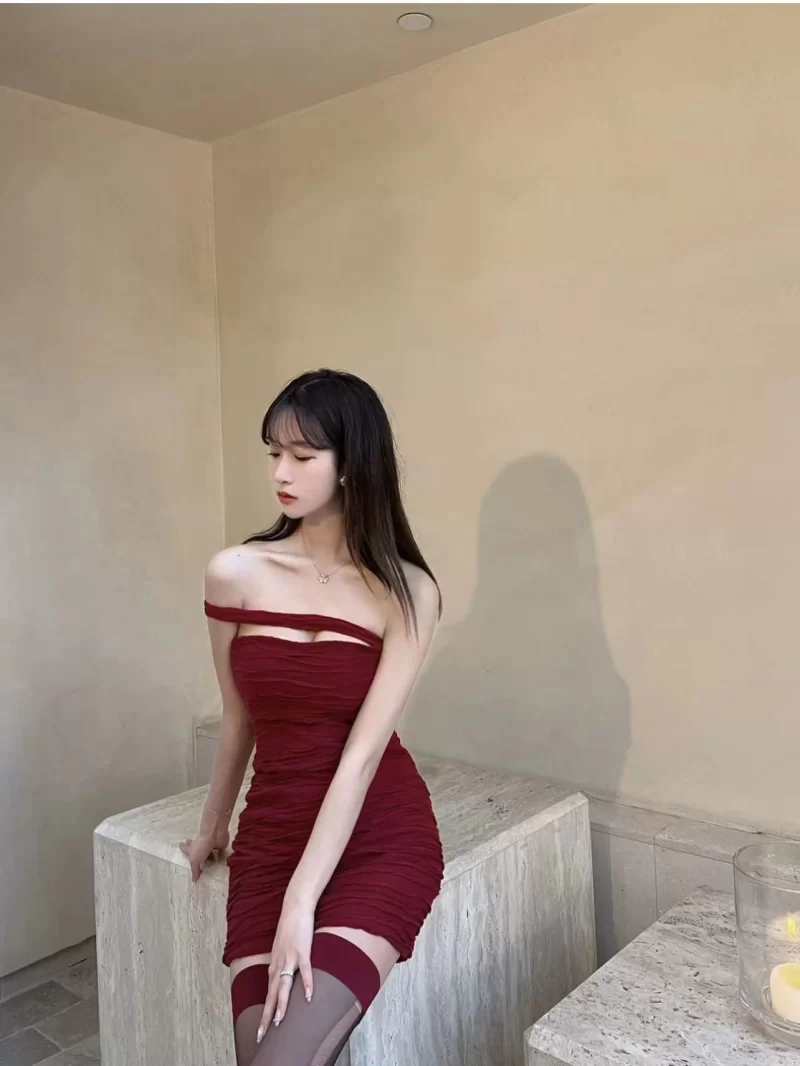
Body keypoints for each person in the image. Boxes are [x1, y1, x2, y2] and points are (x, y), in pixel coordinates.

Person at [181, 369, 444, 1066]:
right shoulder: (236, 572)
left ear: (353, 462)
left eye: (302, 455)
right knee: (264, 1054)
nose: (280, 472)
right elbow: (238, 718)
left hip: (377, 839)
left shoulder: (407, 592)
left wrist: (302, 904)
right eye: (274, 452)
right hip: (272, 839)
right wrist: (214, 825)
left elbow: (361, 759)